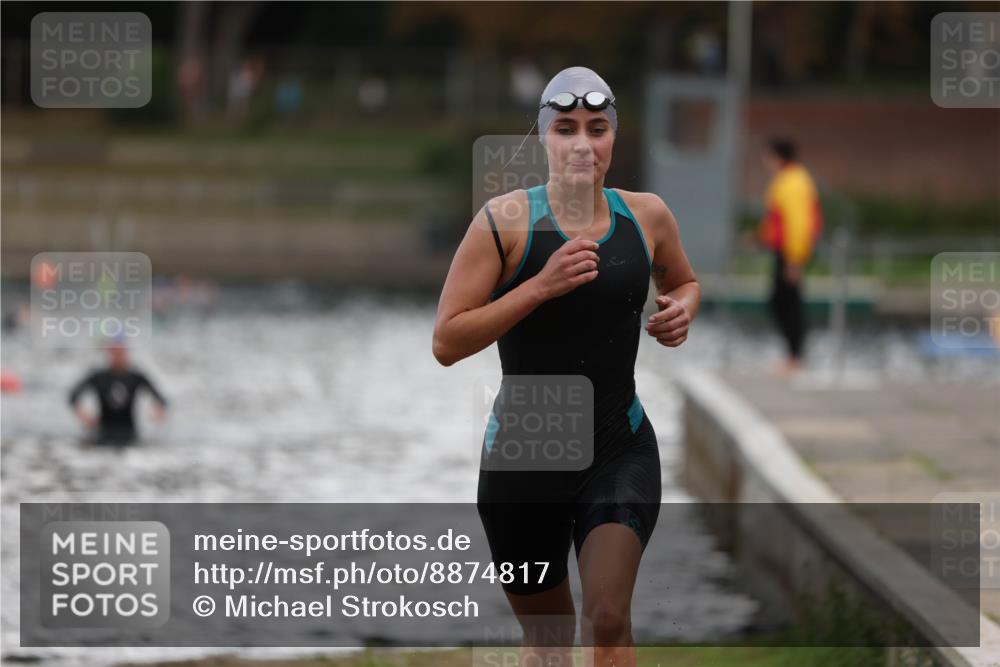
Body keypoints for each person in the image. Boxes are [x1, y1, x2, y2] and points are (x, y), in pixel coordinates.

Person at [432, 66, 700, 667]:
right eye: (567, 129)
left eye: (597, 129)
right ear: (544, 138)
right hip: (525, 457)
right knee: (548, 641)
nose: (583, 144)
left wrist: (681, 310)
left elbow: (683, 281)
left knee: (607, 617)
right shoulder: (503, 223)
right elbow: (446, 341)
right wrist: (539, 287)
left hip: (618, 446)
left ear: (613, 139)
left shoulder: (647, 217)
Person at [756, 137, 823, 377]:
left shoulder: (792, 182)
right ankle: (794, 356)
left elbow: (797, 223)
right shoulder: (789, 179)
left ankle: (795, 357)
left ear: (778, 156)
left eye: (768, 156)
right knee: (784, 301)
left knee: (786, 302)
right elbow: (778, 219)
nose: (765, 161)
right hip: (787, 251)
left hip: (791, 252)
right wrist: (760, 237)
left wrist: (795, 260)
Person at [68, 343, 168, 446]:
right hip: (103, 431)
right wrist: (83, 414)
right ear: (109, 354)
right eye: (115, 353)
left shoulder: (135, 377)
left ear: (126, 354)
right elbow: (73, 396)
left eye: (121, 353)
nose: (118, 357)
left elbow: (161, 398)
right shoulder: (99, 377)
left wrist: (158, 411)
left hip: (129, 431)